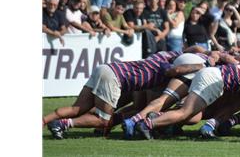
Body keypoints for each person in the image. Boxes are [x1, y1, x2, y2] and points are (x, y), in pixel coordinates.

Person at [44, 50, 197, 139]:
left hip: (106, 68)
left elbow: (190, 50)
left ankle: (44, 121)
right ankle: (62, 124)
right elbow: (176, 70)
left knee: (77, 109)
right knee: (103, 120)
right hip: (115, 77)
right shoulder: (167, 66)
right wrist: (202, 65)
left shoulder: (160, 56)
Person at [135, 65, 240, 140]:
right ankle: (147, 124)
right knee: (185, 113)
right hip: (214, 79)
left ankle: (157, 117)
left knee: (192, 114)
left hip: (212, 76)